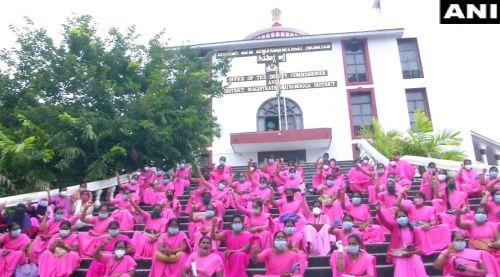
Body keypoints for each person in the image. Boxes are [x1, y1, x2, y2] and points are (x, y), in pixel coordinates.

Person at [376, 203, 428, 277]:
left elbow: (418, 245)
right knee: (400, 261)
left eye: (403, 216)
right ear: (396, 219)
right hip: (398, 253)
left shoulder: (414, 230)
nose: (401, 218)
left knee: (416, 259)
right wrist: (379, 211)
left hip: (412, 253)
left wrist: (412, 250)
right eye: (399, 217)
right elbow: (384, 222)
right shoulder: (394, 228)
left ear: (407, 217)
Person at [396, 189, 451, 255]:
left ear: (424, 199)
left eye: (419, 197)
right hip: (413, 228)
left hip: (426, 227)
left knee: (445, 226)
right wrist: (402, 193)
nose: (417, 199)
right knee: (419, 230)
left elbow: (433, 221)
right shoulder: (410, 207)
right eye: (416, 197)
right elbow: (398, 204)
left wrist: (428, 225)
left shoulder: (429, 208)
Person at [434, 231, 500, 277]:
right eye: (457, 240)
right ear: (452, 242)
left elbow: (485, 271)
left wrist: (471, 270)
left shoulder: (474, 253)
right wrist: (448, 252)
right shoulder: (446, 252)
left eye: (462, 240)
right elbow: (437, 266)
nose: (460, 242)